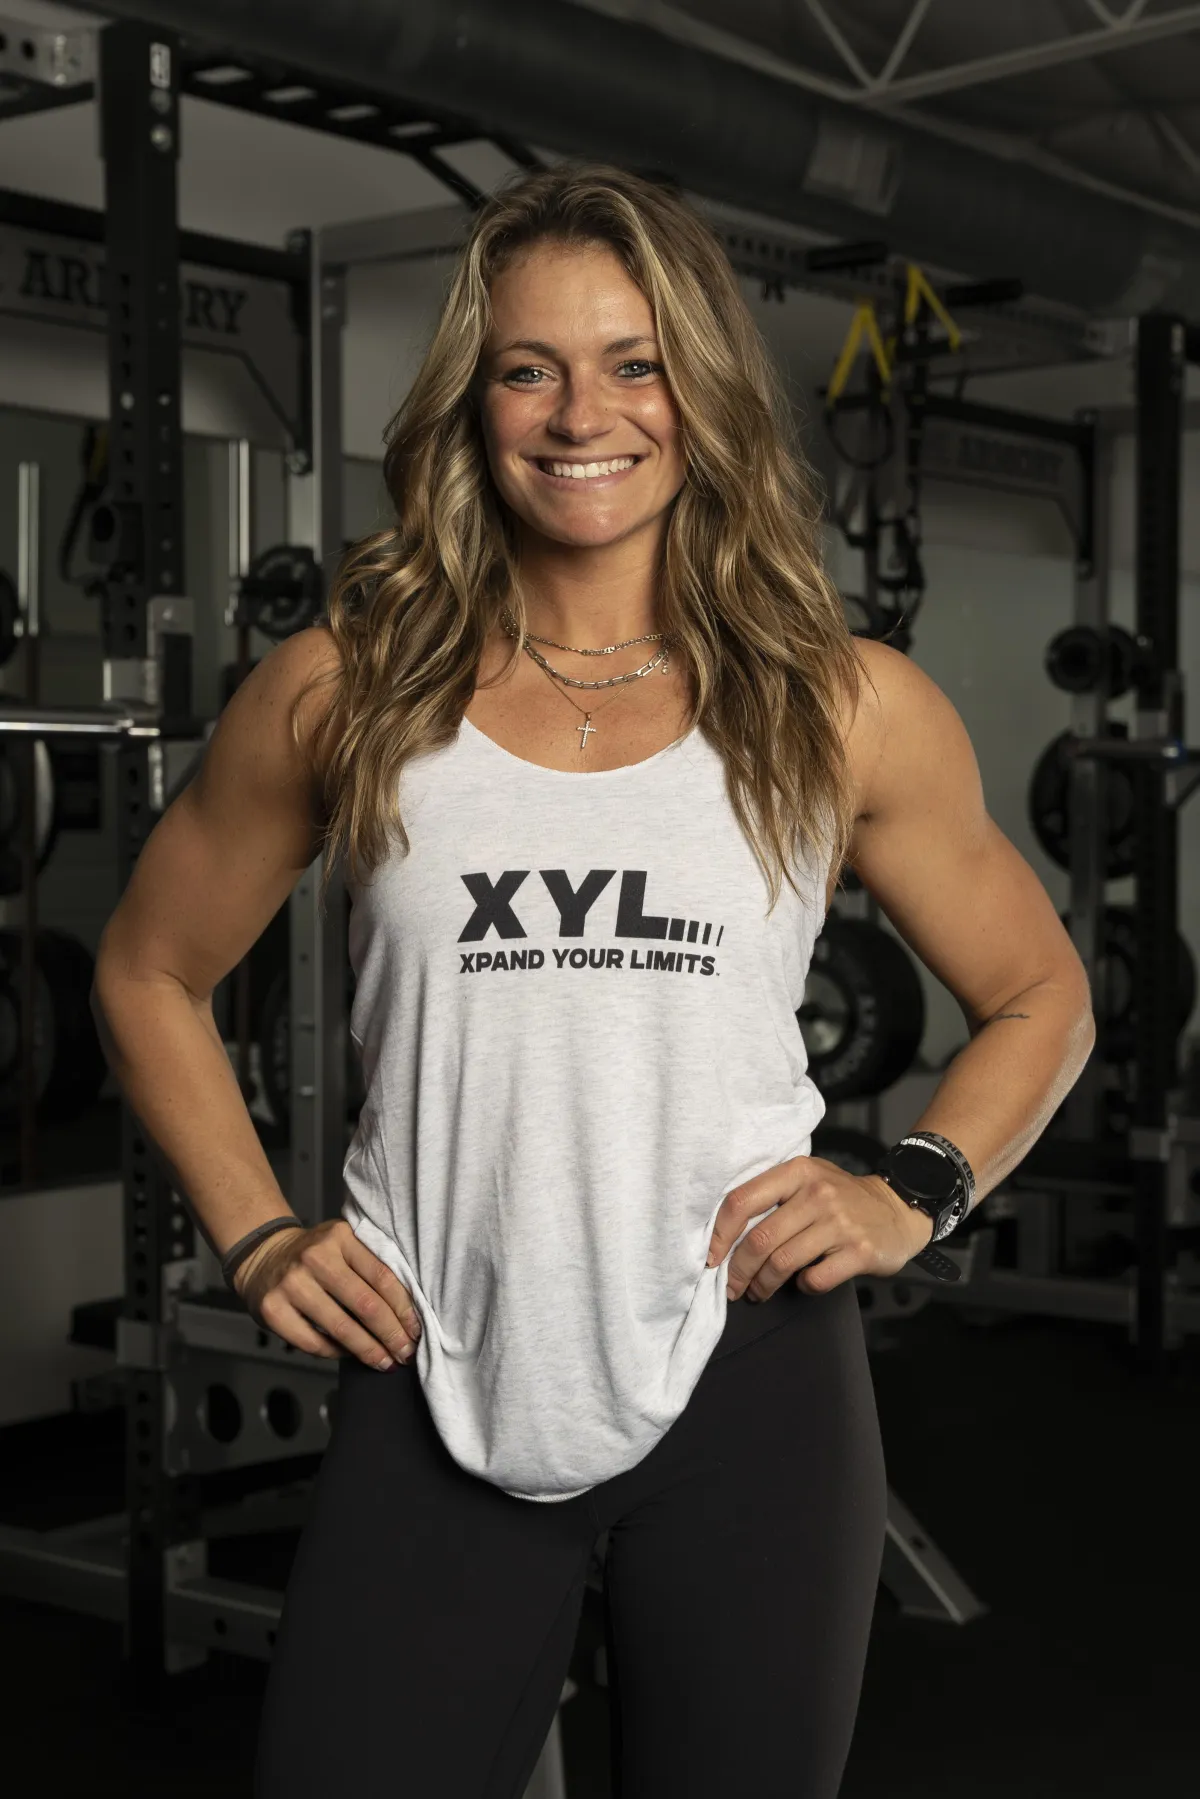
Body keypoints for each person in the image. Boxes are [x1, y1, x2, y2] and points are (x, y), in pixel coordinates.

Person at [92, 164, 1096, 1798]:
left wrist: (914, 1188)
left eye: (635, 364)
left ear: (700, 392)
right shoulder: (348, 689)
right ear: (473, 400)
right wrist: (259, 1233)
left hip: (750, 1373)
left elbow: (1044, 990)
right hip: (431, 1361)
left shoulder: (842, 705)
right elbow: (146, 966)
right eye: (529, 367)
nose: (583, 415)